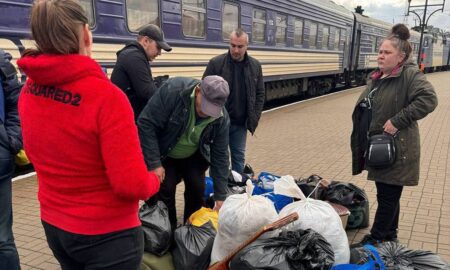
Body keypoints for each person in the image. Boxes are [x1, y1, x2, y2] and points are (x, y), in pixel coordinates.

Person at [17, 1, 160, 269]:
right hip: (108, 236)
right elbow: (130, 184)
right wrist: (154, 180)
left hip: (55, 225)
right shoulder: (107, 98)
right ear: (85, 34)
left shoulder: (29, 90)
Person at [351, 24, 438, 246]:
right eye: (380, 51)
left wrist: (397, 120)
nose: (381, 55)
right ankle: (390, 233)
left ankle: (378, 237)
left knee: (387, 196)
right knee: (389, 192)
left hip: (396, 148)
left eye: (386, 52)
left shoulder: (409, 75)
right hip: (382, 146)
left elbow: (428, 99)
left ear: (401, 56)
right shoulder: (380, 77)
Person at [137, 75, 230, 229]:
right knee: (165, 189)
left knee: (197, 188)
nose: (206, 113)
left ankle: (191, 231)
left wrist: (221, 196)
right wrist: (154, 163)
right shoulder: (173, 91)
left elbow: (220, 155)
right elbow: (146, 124)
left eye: (211, 110)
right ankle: (168, 231)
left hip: (193, 154)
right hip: (164, 152)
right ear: (198, 90)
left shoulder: (221, 118)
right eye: (204, 106)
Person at [202, 28, 265, 173]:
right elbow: (204, 92)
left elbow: (260, 93)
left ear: (247, 46)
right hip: (218, 123)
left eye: (240, 46)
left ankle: (238, 189)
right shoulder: (216, 63)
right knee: (218, 159)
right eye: (233, 45)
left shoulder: (255, 66)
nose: (235, 50)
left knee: (238, 158)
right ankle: (217, 192)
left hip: (240, 124)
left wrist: (254, 117)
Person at [111, 24, 172, 119]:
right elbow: (148, 93)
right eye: (158, 47)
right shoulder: (134, 57)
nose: (159, 53)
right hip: (122, 119)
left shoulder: (135, 55)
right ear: (145, 41)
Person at [0, 49, 22, 270]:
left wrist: (12, 139)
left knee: (2, 239)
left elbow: (15, 102)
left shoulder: (2, 63)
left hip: (0, 160)